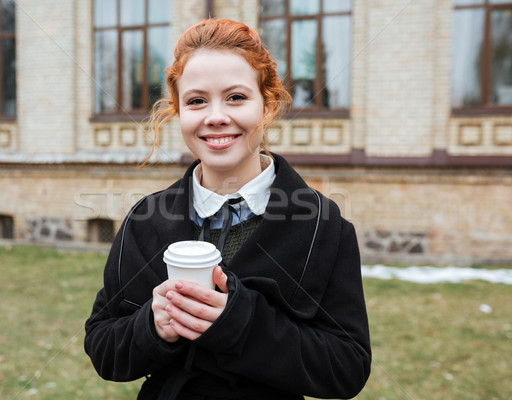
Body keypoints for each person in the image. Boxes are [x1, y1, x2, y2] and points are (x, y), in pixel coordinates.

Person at [84, 18, 371, 400]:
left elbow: (346, 367)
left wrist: (240, 323)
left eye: (236, 97)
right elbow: (103, 347)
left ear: (267, 105)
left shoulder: (323, 225)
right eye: (197, 100)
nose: (215, 116)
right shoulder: (144, 220)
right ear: (178, 110)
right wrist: (151, 327)